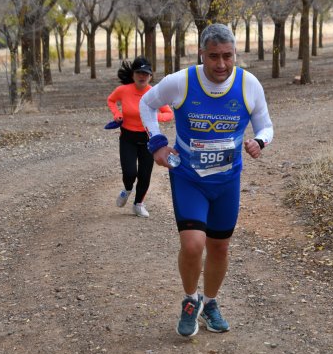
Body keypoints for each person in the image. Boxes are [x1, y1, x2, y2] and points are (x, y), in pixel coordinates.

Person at [140, 23, 274, 337]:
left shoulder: (248, 84)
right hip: (189, 178)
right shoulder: (182, 82)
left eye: (228, 56)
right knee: (193, 244)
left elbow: (266, 125)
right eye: (213, 56)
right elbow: (146, 104)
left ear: (235, 54)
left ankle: (210, 303)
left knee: (219, 247)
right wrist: (157, 143)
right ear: (202, 54)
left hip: (227, 181)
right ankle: (190, 301)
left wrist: (260, 142)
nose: (221, 64)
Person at [107, 57, 173, 218]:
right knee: (130, 173)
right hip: (127, 138)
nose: (142, 76)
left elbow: (169, 113)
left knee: (145, 175)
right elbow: (111, 100)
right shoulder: (123, 90)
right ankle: (127, 189)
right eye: (139, 72)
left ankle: (138, 204)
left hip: (148, 140)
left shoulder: (154, 93)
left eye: (146, 73)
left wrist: (151, 117)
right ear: (133, 74)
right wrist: (117, 114)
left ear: (150, 76)